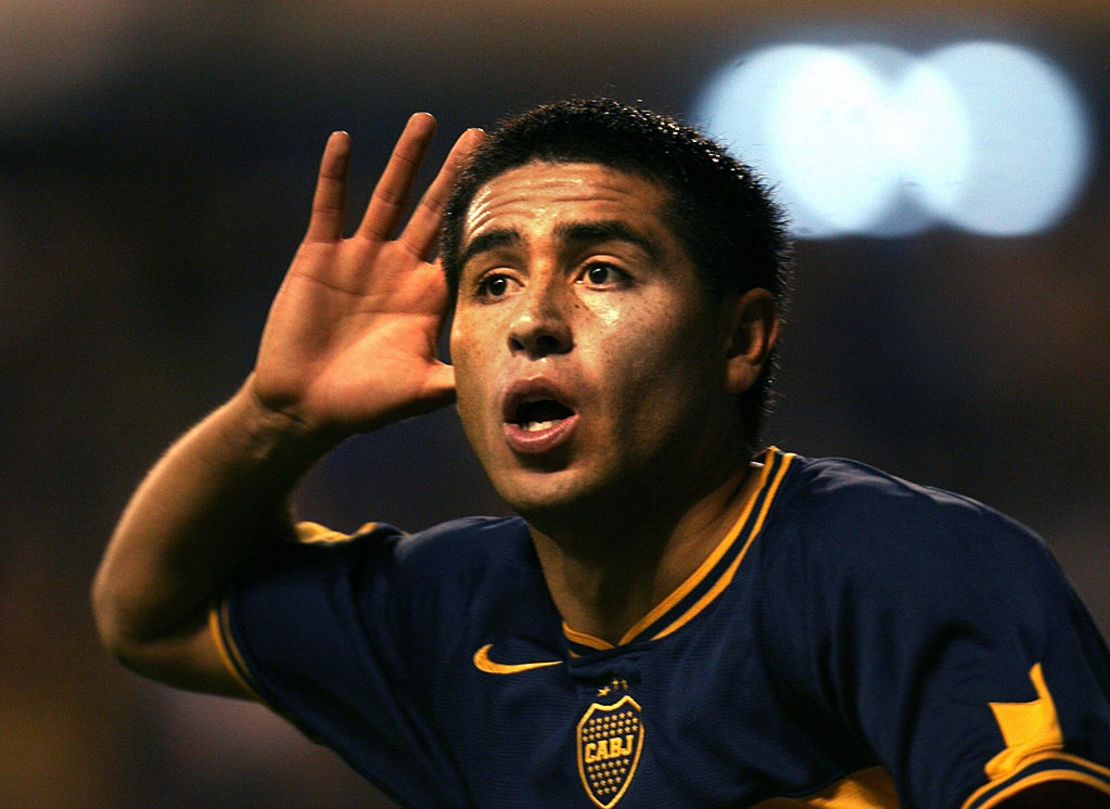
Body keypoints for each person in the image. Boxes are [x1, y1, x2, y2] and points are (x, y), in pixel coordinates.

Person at [93, 99, 1109, 808]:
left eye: (603, 270)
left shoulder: (905, 568)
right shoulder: (448, 610)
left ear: (740, 337)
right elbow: (151, 610)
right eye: (490, 282)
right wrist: (276, 414)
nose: (533, 317)